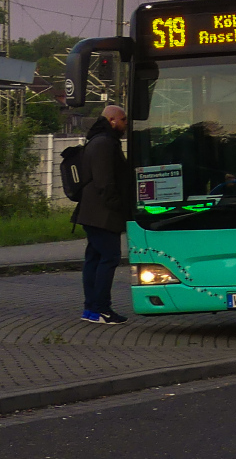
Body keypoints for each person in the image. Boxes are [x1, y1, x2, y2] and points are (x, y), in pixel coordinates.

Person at [73, 105, 133, 325]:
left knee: (94, 259)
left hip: (92, 213)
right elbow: (104, 181)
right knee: (109, 258)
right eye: (123, 119)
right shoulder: (105, 143)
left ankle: (90, 309)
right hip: (102, 214)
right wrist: (118, 205)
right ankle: (101, 309)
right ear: (111, 120)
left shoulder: (97, 140)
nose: (126, 124)